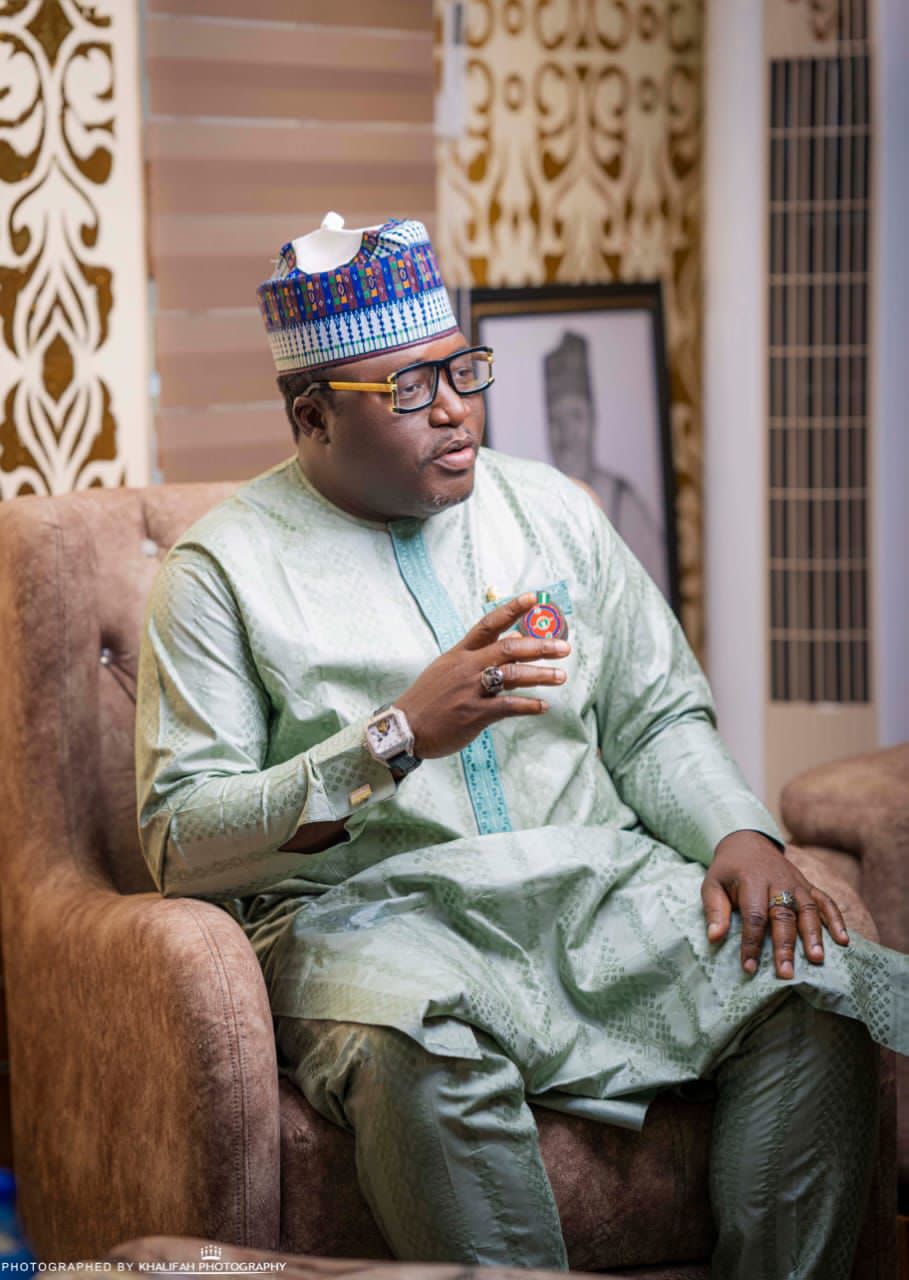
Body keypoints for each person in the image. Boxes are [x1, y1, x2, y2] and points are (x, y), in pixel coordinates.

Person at [136, 213, 906, 1279]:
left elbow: (654, 717)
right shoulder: (218, 573)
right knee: (424, 1047)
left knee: (815, 990)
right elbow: (179, 839)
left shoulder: (551, 510)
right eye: (409, 389)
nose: (455, 408)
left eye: (462, 370)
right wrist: (397, 737)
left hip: (590, 894)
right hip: (376, 924)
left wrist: (740, 832)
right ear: (313, 416)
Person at [543, 330, 668, 596]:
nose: (566, 434)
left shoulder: (626, 507)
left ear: (592, 420)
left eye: (575, 416)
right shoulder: (533, 502)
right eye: (556, 420)